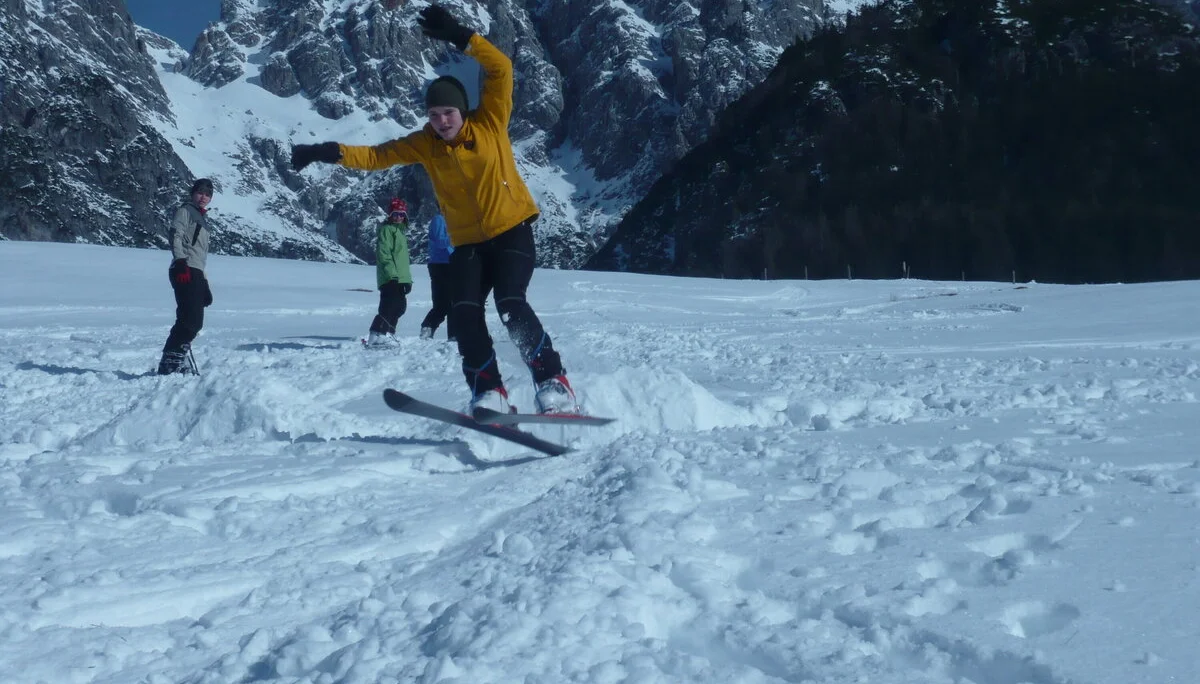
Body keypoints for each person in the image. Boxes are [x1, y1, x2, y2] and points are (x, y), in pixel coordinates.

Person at [290, 3, 578, 415]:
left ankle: (553, 381)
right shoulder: (424, 144)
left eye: (448, 113)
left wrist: (462, 37)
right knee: (463, 314)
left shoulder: (490, 122)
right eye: (434, 114)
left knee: (511, 303)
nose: (442, 121)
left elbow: (500, 69)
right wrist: (325, 151)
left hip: (511, 229)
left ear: (462, 111)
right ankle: (489, 392)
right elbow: (375, 155)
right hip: (468, 245)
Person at [157, 178, 215, 375]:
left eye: (208, 194)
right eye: (200, 192)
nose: (203, 197)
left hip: (195, 270)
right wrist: (181, 261)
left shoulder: (202, 219)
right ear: (193, 193)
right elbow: (176, 235)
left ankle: (174, 358)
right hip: (185, 268)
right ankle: (171, 362)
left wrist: (205, 283)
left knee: (194, 320)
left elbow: (201, 255)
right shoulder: (186, 211)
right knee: (189, 319)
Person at [366, 198, 414, 347]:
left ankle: (387, 334)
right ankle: (376, 335)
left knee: (400, 306)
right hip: (389, 276)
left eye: (401, 214)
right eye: (395, 214)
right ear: (390, 215)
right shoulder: (387, 230)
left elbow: (402, 260)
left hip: (400, 277)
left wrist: (407, 280)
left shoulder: (400, 232)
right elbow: (384, 253)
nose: (399, 217)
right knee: (389, 305)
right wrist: (391, 275)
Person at [419, 213, 455, 341]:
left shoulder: (452, 218)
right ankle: (428, 328)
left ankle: (453, 335)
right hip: (441, 265)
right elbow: (440, 241)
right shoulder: (439, 219)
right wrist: (458, 236)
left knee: (452, 302)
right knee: (443, 303)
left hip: (451, 263)